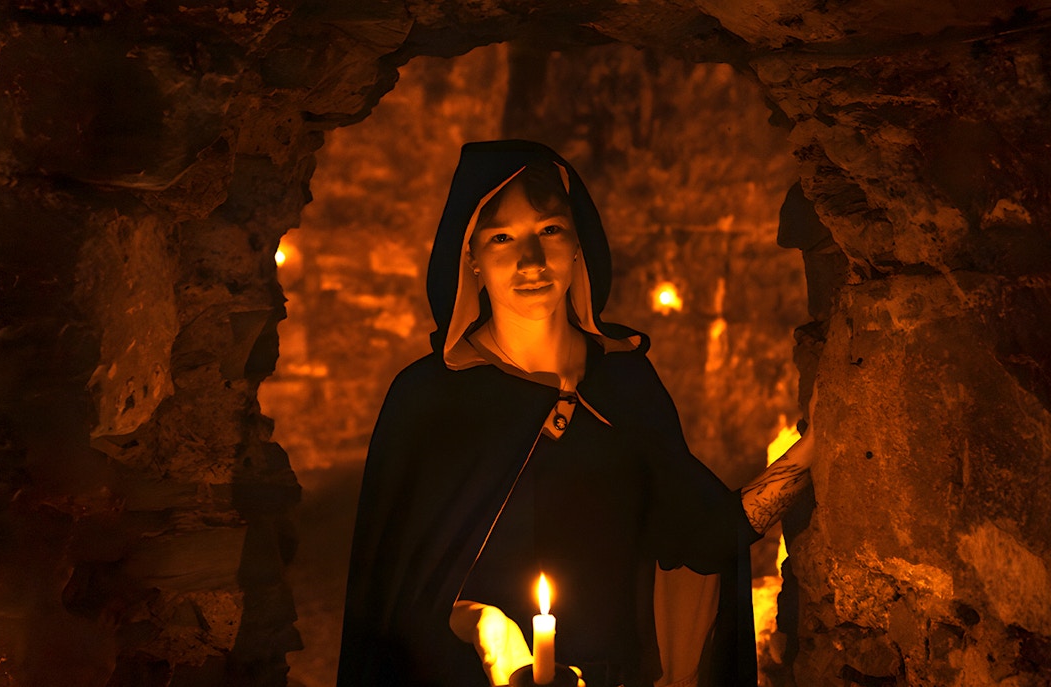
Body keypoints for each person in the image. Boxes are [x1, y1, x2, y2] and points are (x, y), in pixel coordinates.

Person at [337, 140, 815, 687]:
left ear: (577, 244)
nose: (531, 261)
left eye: (549, 230)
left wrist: (820, 446)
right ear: (469, 259)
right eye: (501, 238)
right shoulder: (426, 399)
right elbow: (395, 603)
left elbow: (700, 536)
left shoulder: (624, 381)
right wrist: (486, 629)